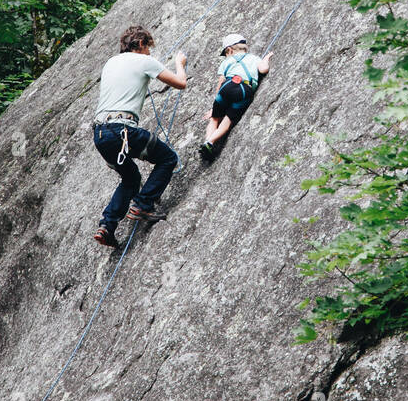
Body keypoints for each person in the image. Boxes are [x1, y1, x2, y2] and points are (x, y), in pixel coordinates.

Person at [91, 24, 188, 247]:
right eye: (148, 48)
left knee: (131, 178)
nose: (150, 53)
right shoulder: (145, 61)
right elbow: (180, 83)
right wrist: (179, 64)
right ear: (141, 44)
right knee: (167, 158)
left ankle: (107, 226)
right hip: (121, 130)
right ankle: (142, 205)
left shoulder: (111, 62)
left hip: (101, 135)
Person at [200, 33, 272, 163]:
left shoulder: (227, 61)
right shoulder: (254, 58)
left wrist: (214, 105)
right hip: (244, 89)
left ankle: (207, 141)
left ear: (229, 50)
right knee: (227, 120)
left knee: (215, 118)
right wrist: (266, 59)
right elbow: (263, 69)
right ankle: (211, 142)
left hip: (226, 86)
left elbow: (221, 81)